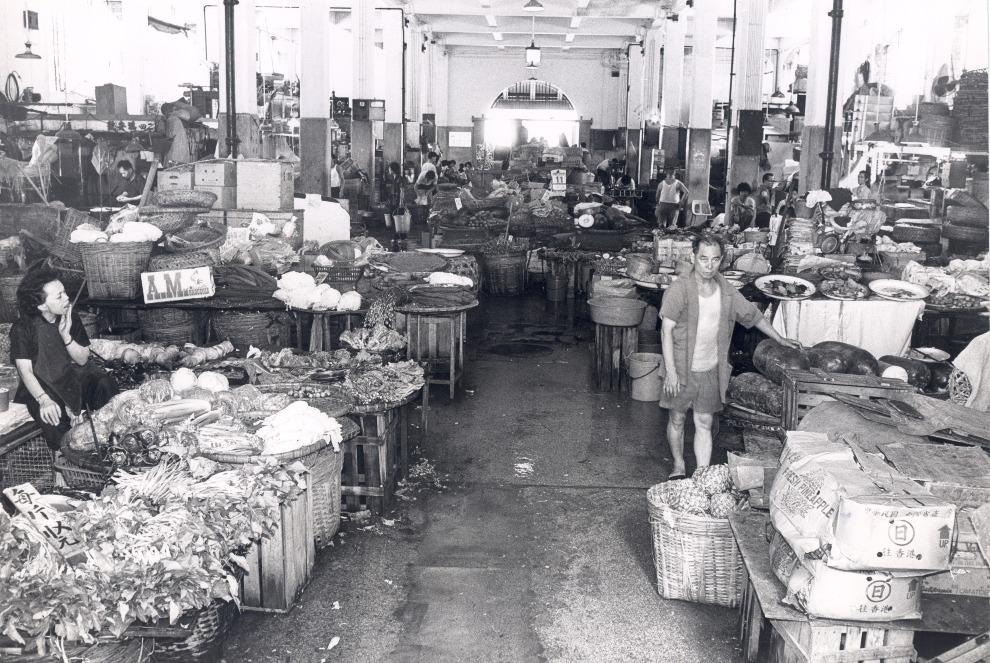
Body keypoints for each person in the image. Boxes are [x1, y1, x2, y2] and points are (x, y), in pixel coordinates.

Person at [659, 235, 800, 478]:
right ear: (693, 257)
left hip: (710, 367)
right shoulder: (679, 289)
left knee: (704, 421)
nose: (709, 265)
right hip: (680, 368)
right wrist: (671, 373)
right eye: (703, 259)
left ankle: (702, 475)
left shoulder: (725, 290)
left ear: (721, 260)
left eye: (714, 260)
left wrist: (779, 338)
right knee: (677, 419)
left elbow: (752, 315)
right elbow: (666, 331)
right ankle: (678, 465)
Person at [11, 269, 118, 450]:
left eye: (65, 292)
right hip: (41, 384)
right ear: (42, 306)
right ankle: (67, 454)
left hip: (70, 376)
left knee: (105, 384)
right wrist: (43, 400)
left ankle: (109, 439)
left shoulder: (70, 317)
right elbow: (25, 371)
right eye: (59, 296)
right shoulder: (22, 328)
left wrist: (66, 336)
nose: (67, 298)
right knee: (52, 415)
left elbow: (82, 359)